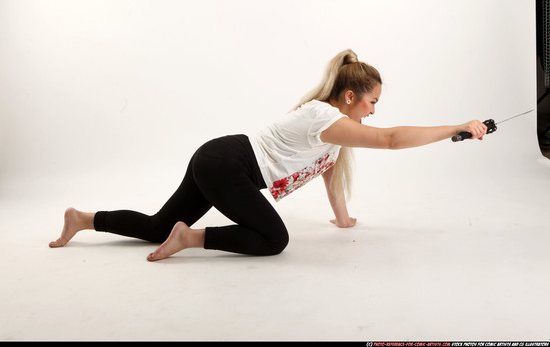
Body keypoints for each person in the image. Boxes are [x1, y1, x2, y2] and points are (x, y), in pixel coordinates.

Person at [49, 49, 487, 261]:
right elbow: (391, 140)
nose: (375, 111)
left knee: (155, 226)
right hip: (227, 164)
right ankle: (191, 238)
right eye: (372, 102)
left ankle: (83, 219)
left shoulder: (332, 129)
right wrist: (456, 127)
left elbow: (329, 171)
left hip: (218, 157)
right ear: (350, 96)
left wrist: (342, 217)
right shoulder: (322, 116)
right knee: (274, 240)